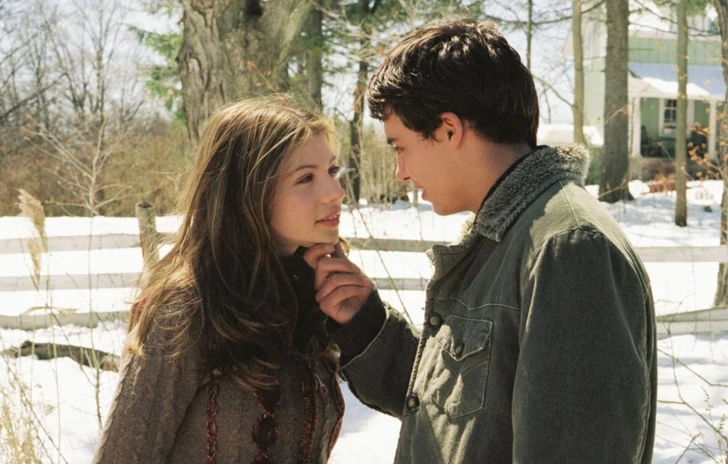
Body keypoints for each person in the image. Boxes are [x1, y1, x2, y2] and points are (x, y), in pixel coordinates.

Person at [304, 18, 657, 464]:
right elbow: (463, 412)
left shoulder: (567, 247)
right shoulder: (510, 236)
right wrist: (367, 324)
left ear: (449, 130)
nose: (400, 172)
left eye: (400, 147)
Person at [93, 97, 347, 464]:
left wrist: (362, 318)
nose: (336, 192)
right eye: (306, 178)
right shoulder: (185, 310)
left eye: (332, 170)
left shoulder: (315, 292)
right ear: (247, 192)